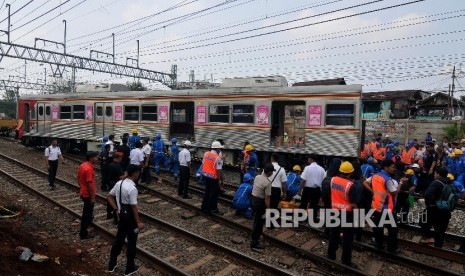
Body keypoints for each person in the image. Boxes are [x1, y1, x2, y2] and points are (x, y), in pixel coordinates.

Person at [107, 164, 144, 276]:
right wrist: (138, 222)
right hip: (131, 220)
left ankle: (111, 265)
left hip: (121, 217)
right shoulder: (132, 188)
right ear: (136, 173)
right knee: (132, 243)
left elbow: (109, 196)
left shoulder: (119, 183)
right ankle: (129, 268)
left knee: (119, 240)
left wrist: (116, 209)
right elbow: (134, 207)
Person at [327, 161, 359, 268]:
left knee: (334, 235)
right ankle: (346, 261)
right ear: (351, 173)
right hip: (347, 215)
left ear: (340, 171)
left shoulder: (332, 180)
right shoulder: (351, 186)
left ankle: (330, 256)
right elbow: (354, 204)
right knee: (347, 238)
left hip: (334, 212)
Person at [371, 159, 402, 253]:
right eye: (392, 167)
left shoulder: (375, 176)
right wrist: (400, 183)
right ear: (386, 167)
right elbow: (394, 192)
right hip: (386, 208)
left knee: (379, 227)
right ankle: (392, 248)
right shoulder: (387, 180)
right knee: (393, 228)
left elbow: (366, 183)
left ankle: (378, 244)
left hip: (376, 206)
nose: (394, 169)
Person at [421, 167, 454, 248]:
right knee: (440, 231)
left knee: (422, 222)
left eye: (435, 173)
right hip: (446, 211)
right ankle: (438, 249)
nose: (434, 175)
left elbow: (427, 194)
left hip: (434, 211)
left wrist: (432, 203)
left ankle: (429, 237)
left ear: (438, 174)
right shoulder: (449, 183)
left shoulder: (436, 183)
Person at [250, 163, 275, 251]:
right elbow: (267, 198)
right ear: (269, 172)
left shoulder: (257, 177)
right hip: (260, 203)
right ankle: (254, 243)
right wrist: (268, 209)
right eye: (272, 171)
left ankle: (255, 237)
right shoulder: (268, 183)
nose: (272, 173)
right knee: (259, 223)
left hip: (253, 200)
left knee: (256, 221)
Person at [298, 154, 325, 223]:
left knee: (304, 203)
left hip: (307, 189)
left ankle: (301, 218)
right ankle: (313, 220)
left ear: (311, 159)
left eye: (308, 158)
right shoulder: (322, 169)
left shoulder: (307, 168)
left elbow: (303, 180)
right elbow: (323, 182)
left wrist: (300, 190)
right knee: (314, 205)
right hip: (317, 190)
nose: (307, 160)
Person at [78, 151, 98, 239]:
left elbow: (78, 178)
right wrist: (92, 197)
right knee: (86, 214)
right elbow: (89, 183)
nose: (97, 158)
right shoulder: (89, 168)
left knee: (88, 213)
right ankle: (83, 233)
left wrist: (81, 187)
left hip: (83, 192)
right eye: (96, 157)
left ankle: (88, 222)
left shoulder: (83, 165)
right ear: (91, 158)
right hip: (87, 195)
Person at [201, 141, 223, 215]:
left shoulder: (206, 154)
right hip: (213, 178)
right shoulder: (218, 158)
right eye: (219, 148)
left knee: (207, 192)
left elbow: (203, 163)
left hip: (206, 175)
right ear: (217, 149)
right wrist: (220, 181)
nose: (220, 150)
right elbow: (219, 170)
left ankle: (204, 207)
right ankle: (212, 209)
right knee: (213, 194)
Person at [106, 152, 125, 221]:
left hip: (110, 184)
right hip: (116, 185)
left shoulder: (110, 164)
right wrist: (126, 174)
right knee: (116, 201)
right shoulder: (117, 166)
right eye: (121, 158)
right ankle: (116, 218)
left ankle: (108, 214)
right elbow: (121, 178)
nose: (122, 159)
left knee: (110, 199)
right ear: (119, 158)